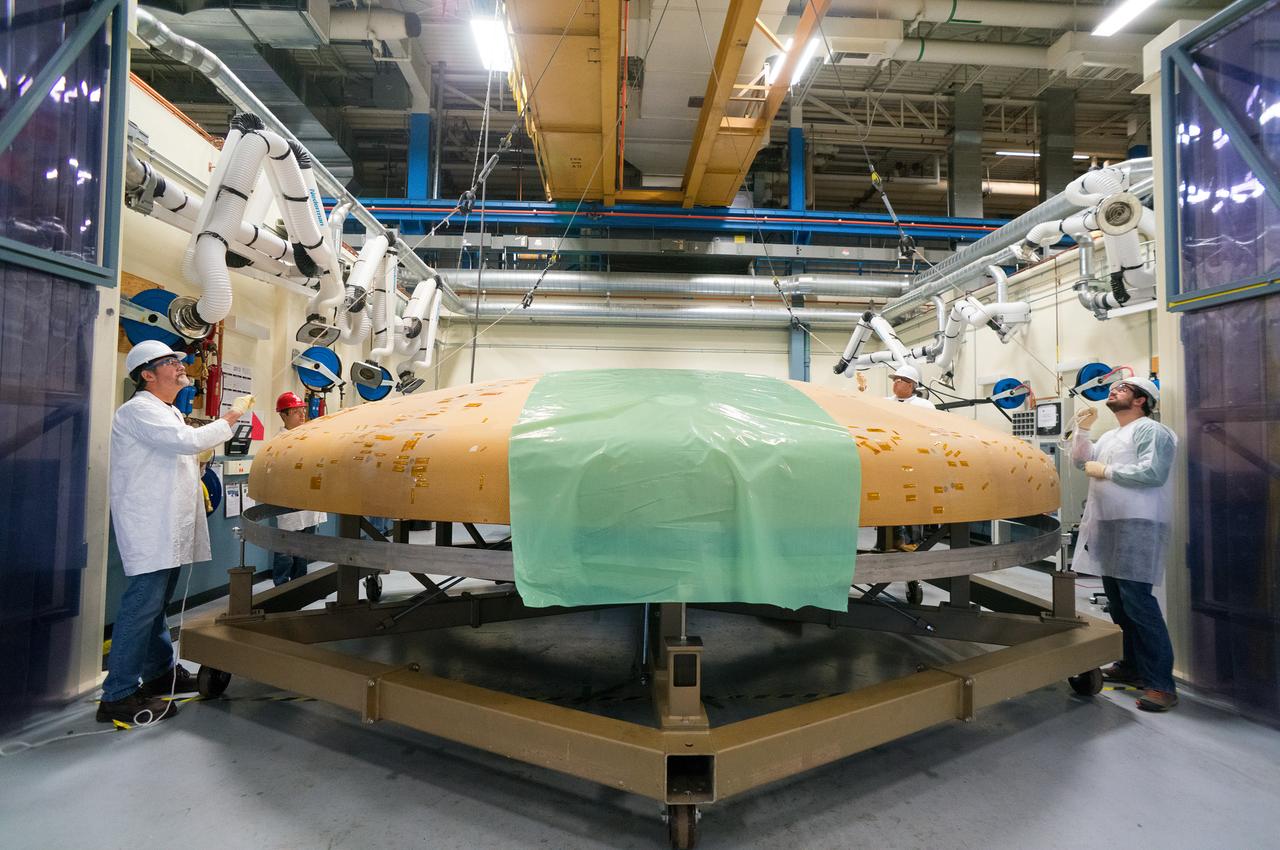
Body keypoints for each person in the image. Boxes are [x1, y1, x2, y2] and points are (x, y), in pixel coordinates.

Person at [100, 340, 255, 724]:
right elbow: (187, 441)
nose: (181, 366)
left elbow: (181, 450)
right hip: (150, 526)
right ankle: (117, 694)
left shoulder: (166, 411)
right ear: (147, 375)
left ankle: (158, 675)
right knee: (141, 608)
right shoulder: (138, 410)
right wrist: (230, 417)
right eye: (171, 362)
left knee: (154, 608)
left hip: (166, 526)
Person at [1070, 377, 1179, 712]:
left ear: (1141, 400)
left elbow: (1153, 472)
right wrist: (1083, 431)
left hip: (1139, 523)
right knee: (1117, 604)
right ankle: (1132, 667)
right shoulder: (1111, 436)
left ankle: (1161, 684)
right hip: (1108, 523)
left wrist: (1107, 471)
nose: (1113, 390)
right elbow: (1080, 461)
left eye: (1123, 388)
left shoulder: (1152, 431)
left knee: (1139, 604)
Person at [271, 392, 327, 585]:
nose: (302, 415)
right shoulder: (279, 442)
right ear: (284, 415)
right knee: (286, 550)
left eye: (302, 411)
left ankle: (299, 587)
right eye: (296, 412)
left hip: (308, 502)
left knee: (304, 549)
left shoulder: (309, 437)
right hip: (288, 503)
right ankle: (280, 589)